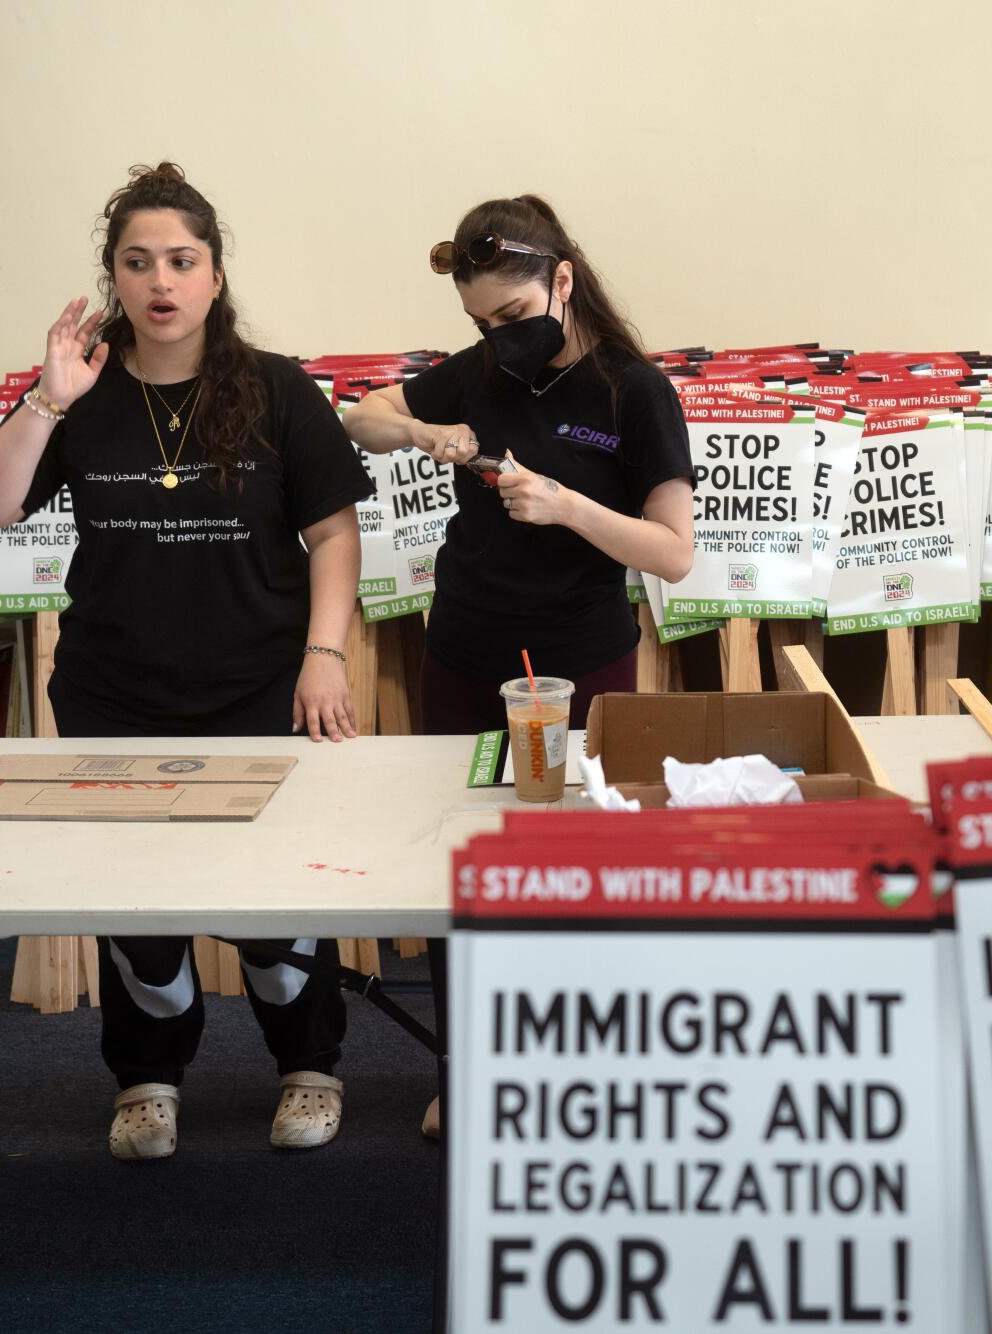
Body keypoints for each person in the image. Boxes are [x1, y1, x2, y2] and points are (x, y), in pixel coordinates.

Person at [0, 163, 372, 1161]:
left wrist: (324, 654)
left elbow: (336, 533)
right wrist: (46, 403)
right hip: (112, 688)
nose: (160, 280)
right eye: (137, 262)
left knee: (275, 904)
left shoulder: (274, 389)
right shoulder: (81, 392)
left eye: (181, 259)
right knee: (134, 900)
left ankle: (307, 1066)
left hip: (259, 685)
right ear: (113, 279)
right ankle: (146, 1079)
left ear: (214, 275)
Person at [342, 195, 695, 1137]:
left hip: (582, 663)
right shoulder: (480, 375)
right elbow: (359, 418)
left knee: (578, 864)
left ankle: (577, 1076)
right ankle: (468, 1068)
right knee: (462, 859)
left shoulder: (635, 391)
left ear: (563, 280)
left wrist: (570, 507)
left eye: (512, 317)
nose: (500, 341)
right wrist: (425, 434)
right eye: (478, 325)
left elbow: (672, 552)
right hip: (464, 648)